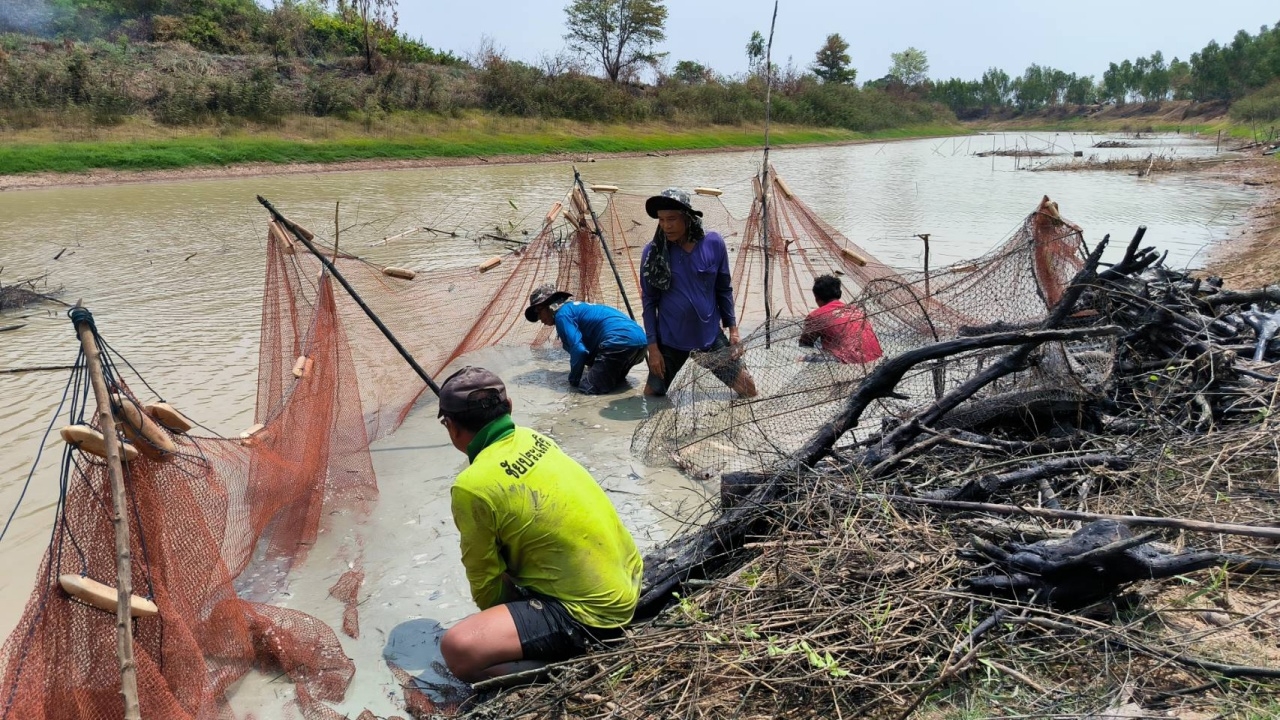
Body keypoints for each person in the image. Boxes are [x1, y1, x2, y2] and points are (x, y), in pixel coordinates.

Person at [436, 367, 643, 683]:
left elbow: (484, 580)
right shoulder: (534, 438)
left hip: (597, 615)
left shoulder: (470, 486)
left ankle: (555, 667)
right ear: (509, 407)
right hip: (629, 576)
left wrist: (506, 623)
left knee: (457, 648)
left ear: (450, 426)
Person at [639, 187, 757, 398]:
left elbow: (724, 289)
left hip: (709, 336)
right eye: (661, 220)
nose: (666, 226)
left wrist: (733, 330)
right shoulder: (653, 253)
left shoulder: (713, 243)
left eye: (672, 219)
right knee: (651, 398)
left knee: (748, 390)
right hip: (670, 340)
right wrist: (653, 349)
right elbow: (649, 302)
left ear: (687, 217)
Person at [524, 284, 648, 394]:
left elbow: (579, 350)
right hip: (641, 342)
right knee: (617, 384)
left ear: (550, 306)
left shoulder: (562, 315)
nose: (539, 318)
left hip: (618, 342)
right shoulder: (575, 308)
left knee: (586, 389)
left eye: (539, 312)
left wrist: (573, 381)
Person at [798, 274, 883, 364]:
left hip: (846, 360)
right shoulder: (856, 310)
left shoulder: (815, 316)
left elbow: (805, 344)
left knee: (802, 358)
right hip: (876, 358)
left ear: (816, 297)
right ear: (839, 294)